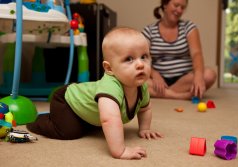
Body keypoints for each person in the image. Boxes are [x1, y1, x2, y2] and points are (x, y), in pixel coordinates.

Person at [27, 27, 163, 160]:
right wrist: (120, 151)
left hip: (84, 105)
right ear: (109, 68)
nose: (140, 64)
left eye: (144, 56)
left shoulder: (141, 86)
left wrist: (144, 129)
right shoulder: (110, 87)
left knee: (90, 127)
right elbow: (109, 120)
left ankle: (79, 119)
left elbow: (145, 108)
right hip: (66, 101)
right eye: (129, 59)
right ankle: (38, 120)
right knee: (69, 131)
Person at [142, 0, 217, 100]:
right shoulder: (149, 31)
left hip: (185, 79)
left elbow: (196, 54)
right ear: (165, 5)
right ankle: (179, 95)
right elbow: (142, 58)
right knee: (136, 79)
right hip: (158, 81)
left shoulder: (189, 27)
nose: (179, 10)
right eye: (176, 5)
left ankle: (164, 93)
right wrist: (154, 74)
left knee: (210, 75)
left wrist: (198, 76)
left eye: (182, 7)